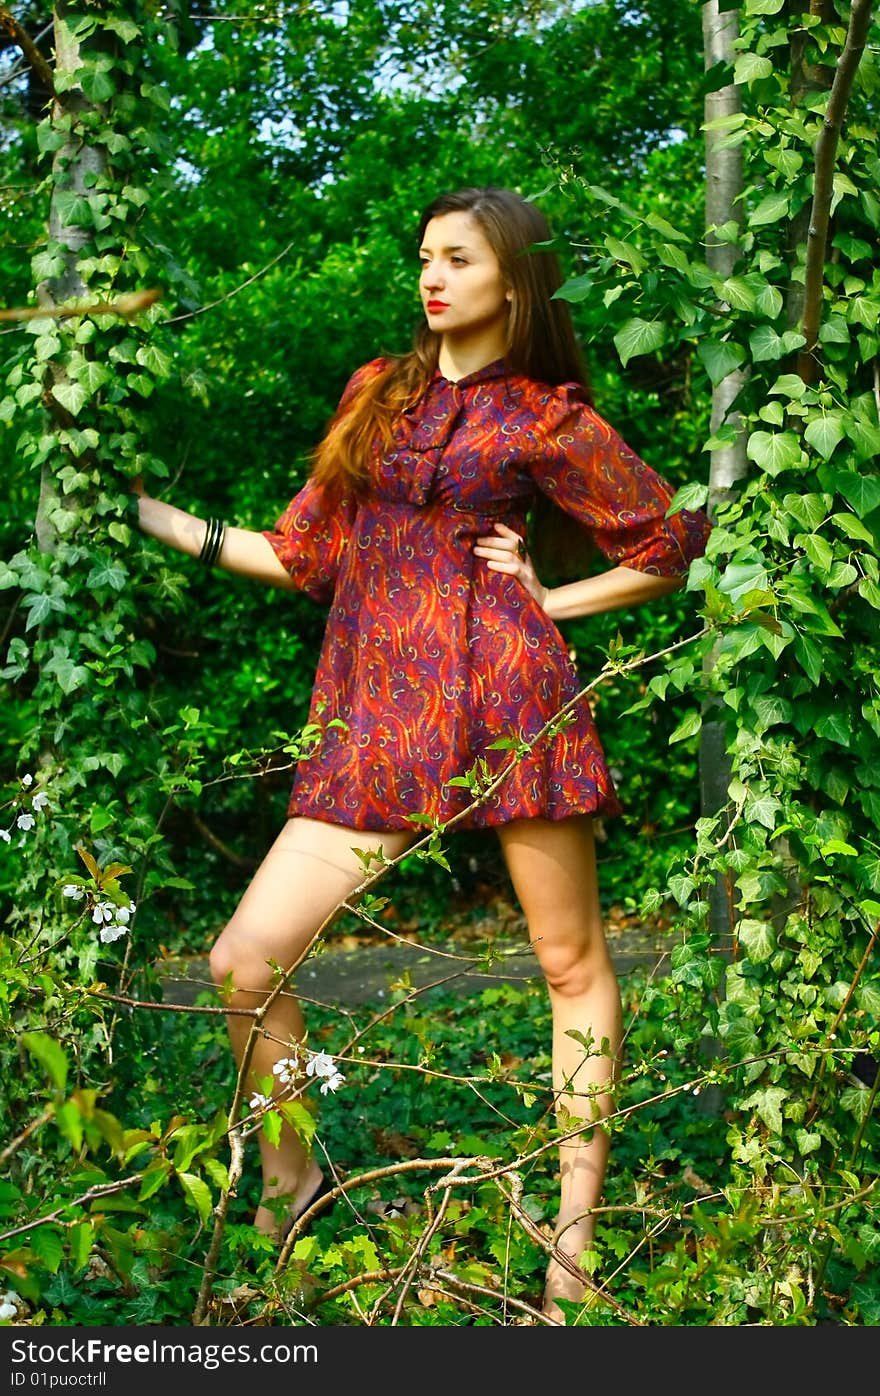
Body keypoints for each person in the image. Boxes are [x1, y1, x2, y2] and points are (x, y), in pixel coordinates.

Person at [135, 185, 712, 1324]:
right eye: (423, 257)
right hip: (377, 715)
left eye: (457, 257)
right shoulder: (379, 394)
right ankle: (297, 1175)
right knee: (244, 963)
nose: (431, 276)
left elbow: (667, 543)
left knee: (567, 961)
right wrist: (152, 514)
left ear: (512, 278)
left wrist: (551, 597)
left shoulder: (548, 417)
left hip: (509, 699)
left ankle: (571, 1238)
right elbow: (305, 553)